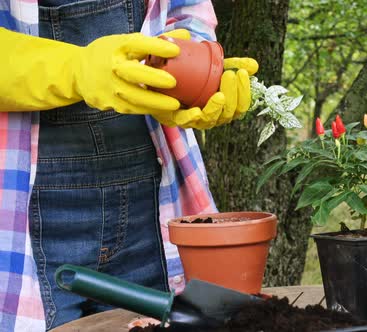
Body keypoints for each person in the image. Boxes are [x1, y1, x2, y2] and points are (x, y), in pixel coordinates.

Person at [0, 0, 257, 331]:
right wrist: (74, 69)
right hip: (21, 216)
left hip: (152, 207)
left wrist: (192, 74)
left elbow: (186, 11)